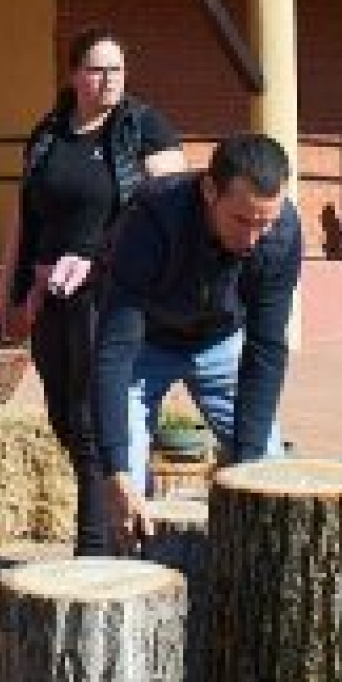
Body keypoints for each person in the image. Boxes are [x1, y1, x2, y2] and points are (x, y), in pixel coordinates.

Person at [0, 27, 186, 555]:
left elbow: (172, 205)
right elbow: (24, 218)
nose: (109, 80)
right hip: (50, 292)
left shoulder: (142, 128)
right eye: (98, 70)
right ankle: (121, 522)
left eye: (117, 70)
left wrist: (100, 257)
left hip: (111, 292)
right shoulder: (48, 134)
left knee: (92, 417)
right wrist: (7, 293)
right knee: (64, 417)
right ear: (74, 74)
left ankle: (95, 550)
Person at [91, 131, 304, 552]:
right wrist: (115, 468)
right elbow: (114, 349)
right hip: (144, 343)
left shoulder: (282, 234)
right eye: (241, 220)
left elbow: (265, 348)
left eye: (264, 222)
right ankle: (131, 569)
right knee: (126, 486)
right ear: (209, 190)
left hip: (221, 342)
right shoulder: (151, 219)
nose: (253, 239)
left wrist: (246, 462)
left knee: (266, 470)